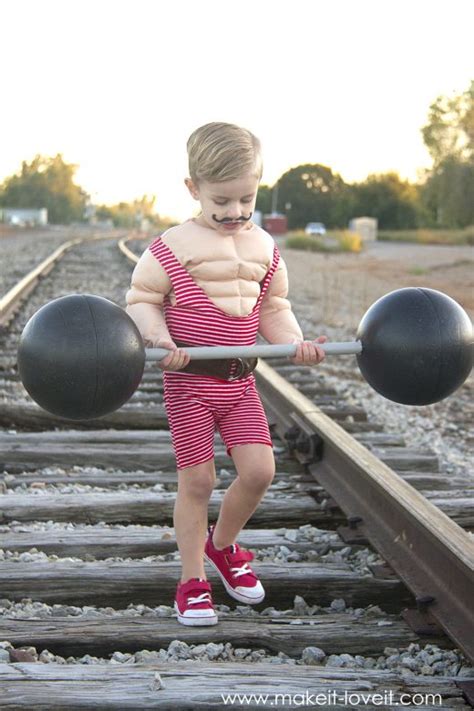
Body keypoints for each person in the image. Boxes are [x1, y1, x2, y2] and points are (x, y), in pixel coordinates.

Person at [126, 122, 326, 626]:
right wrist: (158, 339)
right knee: (198, 481)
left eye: (247, 198)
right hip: (190, 381)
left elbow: (274, 307)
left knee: (260, 472)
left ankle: (224, 546)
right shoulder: (171, 245)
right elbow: (142, 300)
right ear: (193, 189)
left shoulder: (265, 248)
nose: (236, 212)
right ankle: (192, 580)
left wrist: (293, 344)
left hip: (239, 382)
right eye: (222, 200)